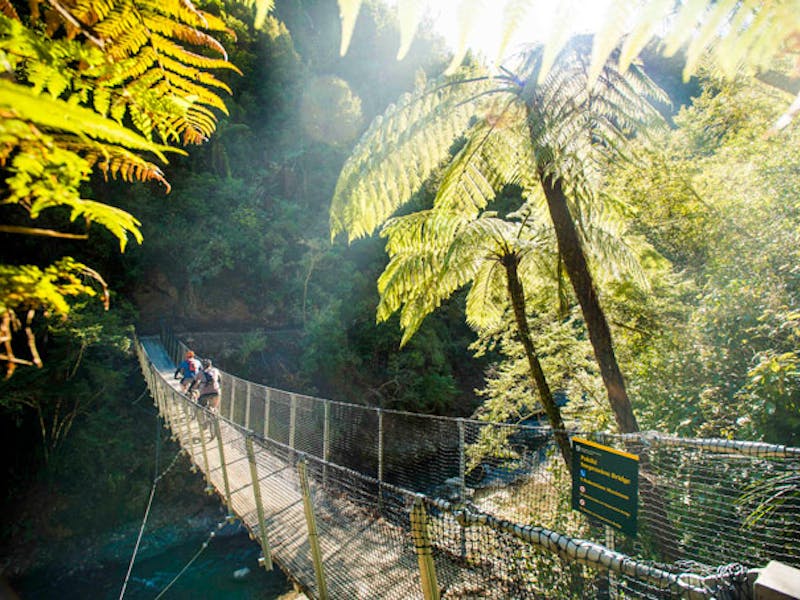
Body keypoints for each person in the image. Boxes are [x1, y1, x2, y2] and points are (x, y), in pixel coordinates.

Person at [190, 358, 222, 437]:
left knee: (200, 407)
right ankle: (214, 415)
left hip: (204, 393)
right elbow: (220, 379)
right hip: (216, 392)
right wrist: (218, 387)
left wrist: (190, 389)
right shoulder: (215, 370)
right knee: (213, 406)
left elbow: (194, 381)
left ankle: (204, 423)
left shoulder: (200, 372)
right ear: (210, 365)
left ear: (202, 366)